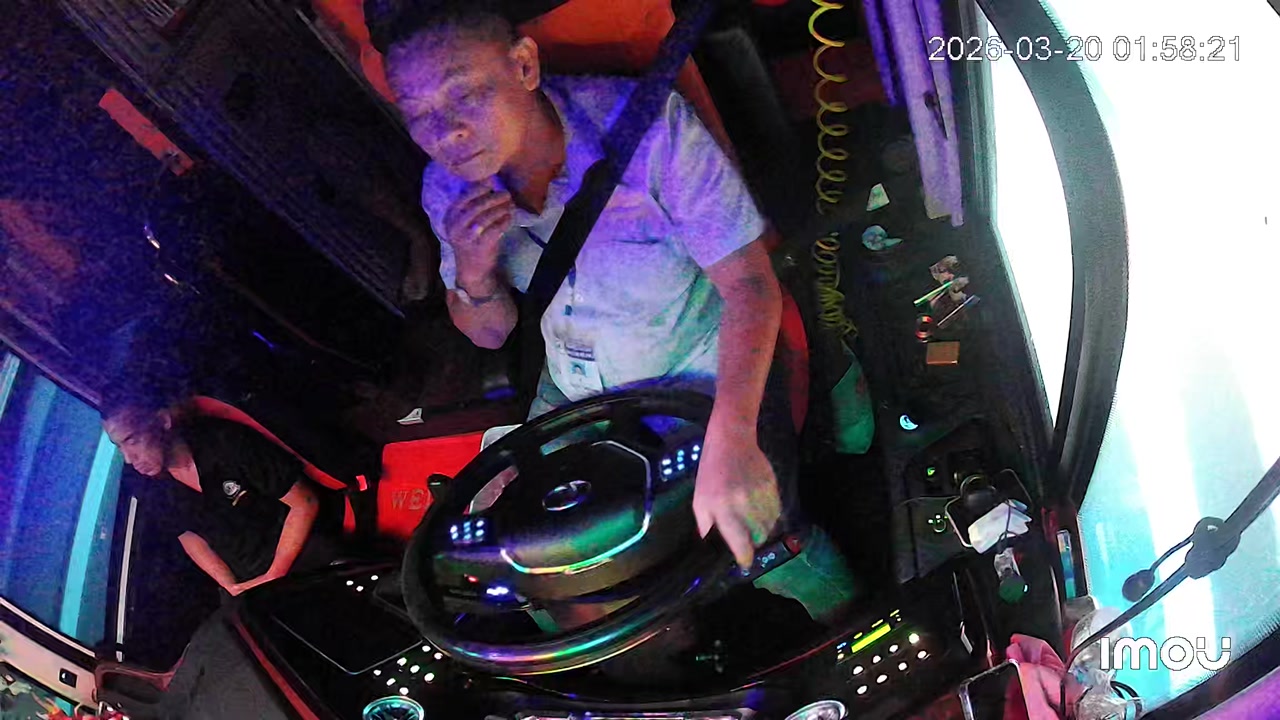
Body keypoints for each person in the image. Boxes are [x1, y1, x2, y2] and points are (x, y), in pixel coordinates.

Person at [380, 1, 786, 570]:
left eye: (465, 94)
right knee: (511, 547)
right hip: (573, 392)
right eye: (418, 114)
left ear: (524, 66)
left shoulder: (649, 132)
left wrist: (733, 437)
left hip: (695, 376)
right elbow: (491, 334)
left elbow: (751, 284)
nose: (447, 133)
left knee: (750, 540)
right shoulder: (447, 187)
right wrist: (473, 270)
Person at [101, 388, 343, 596]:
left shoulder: (226, 443)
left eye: (132, 440)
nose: (129, 458)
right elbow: (188, 535)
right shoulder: (149, 485)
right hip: (246, 580)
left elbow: (305, 502)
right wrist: (231, 586)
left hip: (299, 551)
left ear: (163, 421)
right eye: (119, 446)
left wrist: (273, 576)